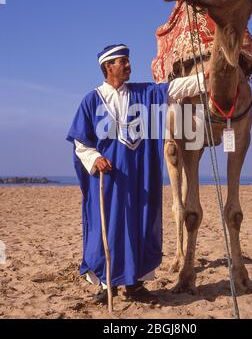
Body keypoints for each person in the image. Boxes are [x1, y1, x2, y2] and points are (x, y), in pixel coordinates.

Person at [66, 44, 204, 304]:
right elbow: (80, 142)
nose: (128, 65)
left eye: (128, 61)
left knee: (138, 227)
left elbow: (174, 88)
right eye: (123, 62)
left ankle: (135, 285)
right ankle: (104, 284)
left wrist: (205, 78)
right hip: (107, 182)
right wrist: (95, 158)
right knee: (104, 229)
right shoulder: (92, 100)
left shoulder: (144, 94)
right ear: (109, 67)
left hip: (140, 178)